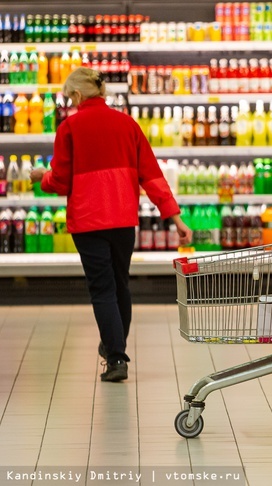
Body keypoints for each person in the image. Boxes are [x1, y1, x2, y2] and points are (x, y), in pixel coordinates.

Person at [30, 67, 192, 383]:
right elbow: (153, 176)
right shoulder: (127, 124)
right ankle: (114, 347)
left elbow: (61, 180)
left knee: (102, 288)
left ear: (77, 96)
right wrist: (175, 218)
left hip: (88, 221)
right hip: (122, 219)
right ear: (101, 93)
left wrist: (42, 178)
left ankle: (116, 356)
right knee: (120, 285)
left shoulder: (69, 128)